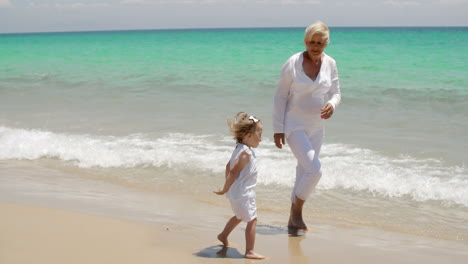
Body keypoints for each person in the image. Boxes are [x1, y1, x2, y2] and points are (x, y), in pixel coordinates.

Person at [272, 21, 341, 231]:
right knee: (315, 171)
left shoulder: (330, 63)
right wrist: (278, 128)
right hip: (294, 125)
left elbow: (336, 92)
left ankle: (292, 222)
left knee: (304, 171)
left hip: (317, 126)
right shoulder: (292, 63)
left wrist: (332, 104)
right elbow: (280, 96)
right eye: (312, 41)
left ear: (326, 43)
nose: (315, 46)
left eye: (320, 42)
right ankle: (297, 211)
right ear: (305, 41)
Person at [214, 112, 265, 260]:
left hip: (237, 192)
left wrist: (229, 187)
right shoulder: (246, 153)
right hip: (244, 193)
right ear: (248, 135)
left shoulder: (239, 149)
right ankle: (249, 251)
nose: (261, 138)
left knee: (239, 216)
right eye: (259, 134)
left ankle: (223, 235)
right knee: (252, 220)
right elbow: (234, 171)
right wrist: (225, 188)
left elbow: (227, 167)